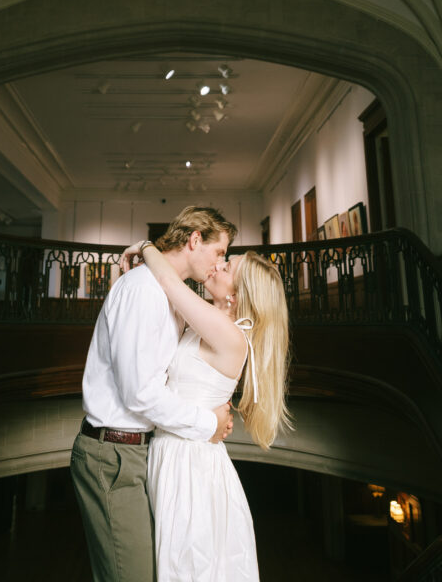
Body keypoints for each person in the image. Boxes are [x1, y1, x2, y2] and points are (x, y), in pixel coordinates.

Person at [70, 206, 237, 582]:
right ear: (195, 239)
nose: (219, 263)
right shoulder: (142, 290)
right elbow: (139, 394)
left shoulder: (171, 296)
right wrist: (207, 422)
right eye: (219, 252)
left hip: (139, 452)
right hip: (111, 455)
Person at [119, 239, 291, 582]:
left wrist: (146, 246)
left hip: (190, 467)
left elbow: (170, 283)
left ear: (236, 297)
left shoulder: (230, 336)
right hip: (175, 451)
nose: (218, 265)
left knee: (187, 567)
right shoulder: (207, 321)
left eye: (227, 268)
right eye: (223, 260)